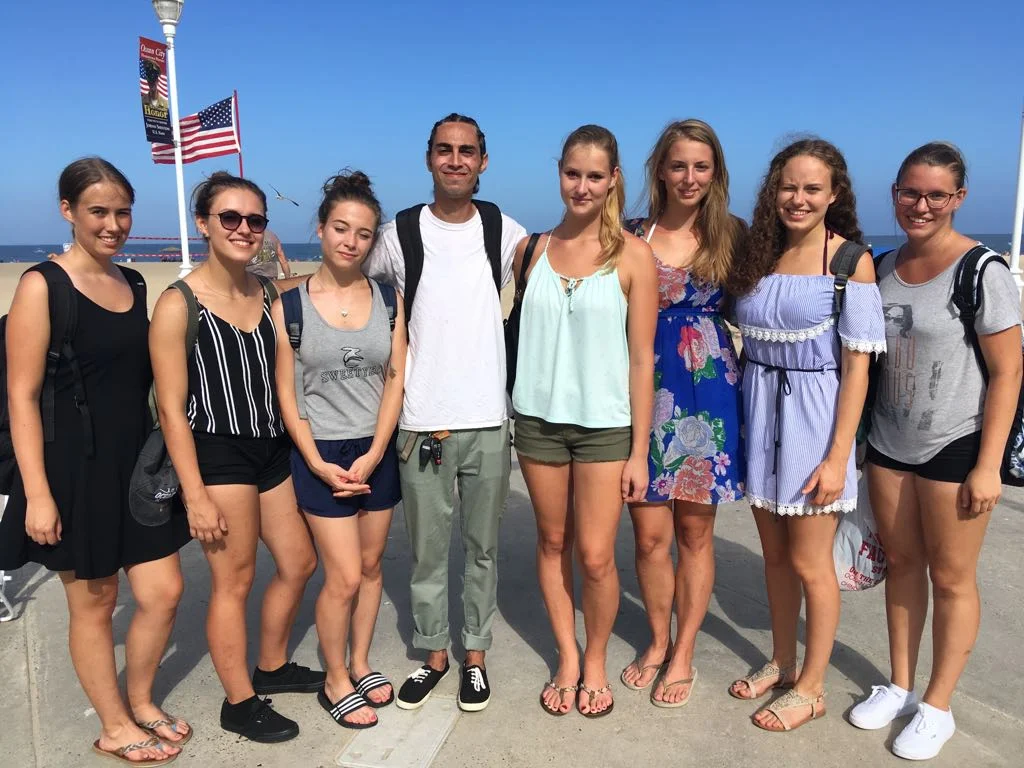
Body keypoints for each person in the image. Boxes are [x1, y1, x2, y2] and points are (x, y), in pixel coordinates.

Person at [0, 157, 190, 764]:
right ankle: (113, 725)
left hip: (134, 465)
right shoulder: (42, 285)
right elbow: (22, 396)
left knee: (162, 592)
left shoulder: (133, 284)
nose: (113, 225)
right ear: (68, 211)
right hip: (70, 470)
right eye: (98, 212)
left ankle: (139, 700)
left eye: (122, 212)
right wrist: (38, 493)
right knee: (96, 600)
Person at [851, 143, 1022, 760]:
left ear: (958, 199)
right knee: (901, 563)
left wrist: (988, 465)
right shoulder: (883, 263)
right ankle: (899, 683)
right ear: (894, 192)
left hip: (956, 443)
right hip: (891, 441)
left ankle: (938, 704)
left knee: (951, 579)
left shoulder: (982, 270)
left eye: (935, 195)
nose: (920, 205)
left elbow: (1008, 373)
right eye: (909, 193)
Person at [150, 172, 321, 743]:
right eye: (230, 218)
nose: (244, 228)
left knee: (299, 562)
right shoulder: (180, 304)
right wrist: (195, 496)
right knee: (236, 580)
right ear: (204, 224)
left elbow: (318, 288)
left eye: (255, 220)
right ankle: (238, 702)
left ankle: (271, 666)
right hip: (217, 454)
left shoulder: (266, 292)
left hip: (270, 447)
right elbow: (171, 410)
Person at [363, 113, 526, 712]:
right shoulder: (397, 232)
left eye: (467, 151)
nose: (455, 160)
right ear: (428, 158)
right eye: (444, 150)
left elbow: (564, 262)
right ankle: (434, 653)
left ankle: (475, 655)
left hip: (488, 416)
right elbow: (348, 284)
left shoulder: (502, 229)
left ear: (484, 160)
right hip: (422, 418)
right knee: (428, 550)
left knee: (483, 548)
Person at [729, 139, 884, 731]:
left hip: (816, 421)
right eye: (789, 187)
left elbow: (858, 368)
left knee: (811, 561)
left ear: (834, 194)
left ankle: (814, 687)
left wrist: (838, 455)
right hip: (762, 412)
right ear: (774, 190)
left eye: (812, 189)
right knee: (774, 557)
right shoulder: (757, 254)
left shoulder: (850, 263)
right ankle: (784, 661)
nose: (798, 199)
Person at [513, 125, 658, 717]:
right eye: (573, 173)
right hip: (538, 422)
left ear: (614, 179)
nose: (583, 185)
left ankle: (595, 658)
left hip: (605, 427)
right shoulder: (532, 251)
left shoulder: (634, 255)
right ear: (560, 173)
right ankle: (567, 657)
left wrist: (640, 450)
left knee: (596, 556)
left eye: (595, 176)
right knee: (551, 542)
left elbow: (643, 358)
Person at [273, 171, 406, 729]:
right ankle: (334, 678)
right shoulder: (291, 306)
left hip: (374, 447)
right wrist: (317, 461)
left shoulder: (389, 297)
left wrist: (376, 452)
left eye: (364, 233)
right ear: (322, 229)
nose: (351, 241)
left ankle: (360, 661)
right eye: (340, 229)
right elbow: (288, 394)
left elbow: (395, 377)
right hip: (320, 451)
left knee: (372, 567)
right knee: (344, 575)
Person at [620, 119, 746, 707]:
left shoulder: (734, 235)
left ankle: (685, 650)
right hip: (644, 388)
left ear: (715, 171)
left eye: (702, 166)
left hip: (709, 395)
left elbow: (769, 308)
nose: (690, 177)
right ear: (660, 170)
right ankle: (655, 639)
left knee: (694, 534)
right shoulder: (628, 233)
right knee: (649, 536)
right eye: (679, 165)